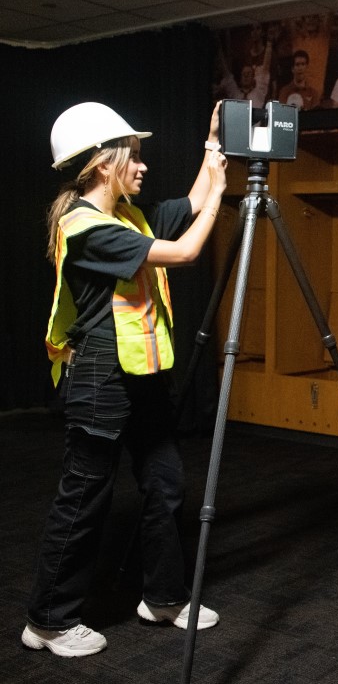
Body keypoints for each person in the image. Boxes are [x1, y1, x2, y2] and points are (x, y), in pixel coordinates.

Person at [21, 101, 228, 657]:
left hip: (140, 378)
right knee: (85, 496)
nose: (141, 166)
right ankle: (47, 620)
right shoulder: (85, 228)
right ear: (102, 163)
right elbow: (185, 249)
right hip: (98, 379)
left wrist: (214, 145)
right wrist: (228, 204)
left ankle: (161, 597)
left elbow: (196, 200)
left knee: (164, 484)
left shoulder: (129, 218)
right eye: (132, 156)